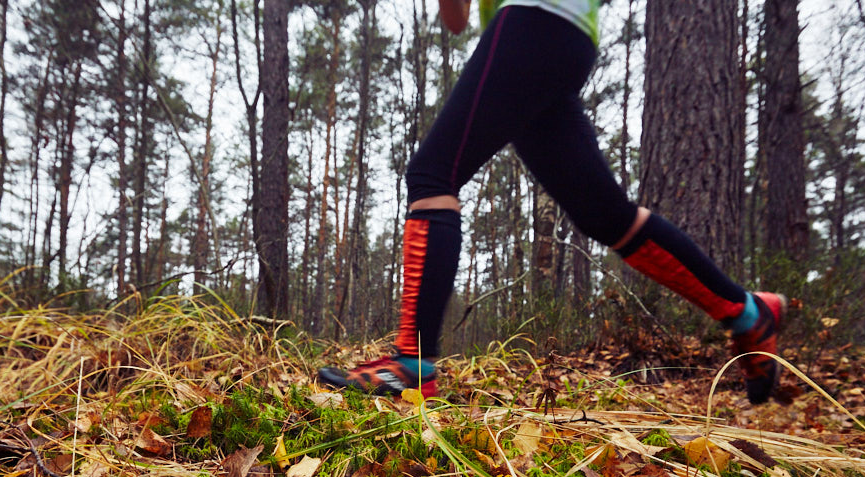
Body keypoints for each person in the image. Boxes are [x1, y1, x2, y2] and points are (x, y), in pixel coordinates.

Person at [317, 0, 786, 404]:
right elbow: (456, 19)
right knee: (607, 216)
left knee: (432, 175)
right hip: (564, 37)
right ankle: (747, 312)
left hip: (532, 24)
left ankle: (411, 366)